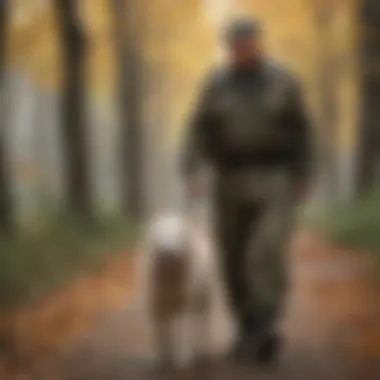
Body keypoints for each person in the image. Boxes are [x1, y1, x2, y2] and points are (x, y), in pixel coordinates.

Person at [180, 17, 313, 364]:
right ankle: (246, 326)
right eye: (234, 43)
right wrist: (191, 168)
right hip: (229, 179)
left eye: (247, 41)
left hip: (274, 179)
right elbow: (198, 129)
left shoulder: (284, 82)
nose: (241, 48)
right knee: (233, 257)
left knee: (265, 251)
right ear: (228, 48)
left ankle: (264, 325)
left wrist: (304, 174)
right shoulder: (216, 84)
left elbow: (303, 132)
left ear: (259, 43)